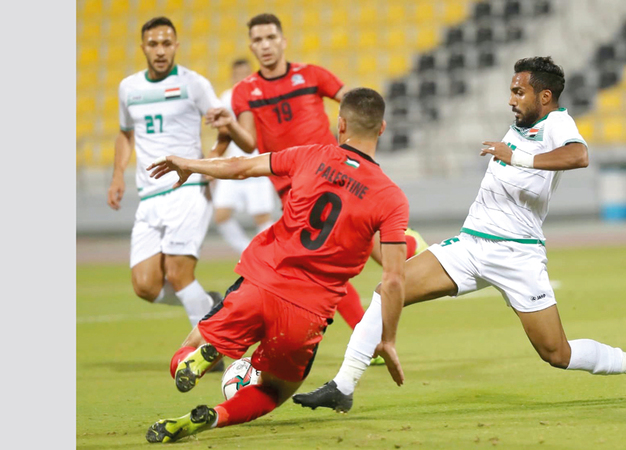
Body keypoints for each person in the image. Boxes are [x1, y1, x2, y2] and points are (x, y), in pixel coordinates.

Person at [292, 56, 626, 414]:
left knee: (556, 353)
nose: (511, 99)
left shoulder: (558, 124)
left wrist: (517, 157)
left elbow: (579, 156)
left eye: (519, 92)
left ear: (545, 96)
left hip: (517, 255)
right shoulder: (524, 123)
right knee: (387, 291)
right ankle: (343, 386)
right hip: (471, 244)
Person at [144, 88, 409, 443]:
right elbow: (393, 280)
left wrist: (190, 164)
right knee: (274, 392)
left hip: (260, 283)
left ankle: (201, 356)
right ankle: (213, 417)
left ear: (341, 124)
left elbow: (240, 168)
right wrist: (387, 339)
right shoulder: (391, 198)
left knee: (184, 354)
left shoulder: (309, 155)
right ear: (382, 128)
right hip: (307, 314)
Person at [204, 13, 422, 337]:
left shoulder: (311, 75)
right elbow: (248, 142)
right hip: (294, 189)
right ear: (251, 46)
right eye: (258, 40)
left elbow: (354, 101)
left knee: (343, 260)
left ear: (283, 41)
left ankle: (413, 255)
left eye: (270, 38)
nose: (265, 45)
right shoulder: (245, 91)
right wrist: (230, 125)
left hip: (336, 177)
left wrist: (369, 125)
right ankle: (374, 326)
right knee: (327, 265)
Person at [107, 16, 224, 330]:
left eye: (166, 43)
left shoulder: (193, 84)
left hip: (187, 188)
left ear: (176, 46)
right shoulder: (128, 88)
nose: (160, 50)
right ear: (143, 47)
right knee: (145, 285)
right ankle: (210, 305)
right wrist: (117, 174)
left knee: (177, 273)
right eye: (153, 44)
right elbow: (125, 134)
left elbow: (225, 125)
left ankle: (207, 346)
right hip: (149, 196)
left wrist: (214, 158)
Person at [212, 58, 278, 254]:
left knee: (262, 217)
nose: (241, 78)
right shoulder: (226, 98)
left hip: (257, 163)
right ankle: (247, 252)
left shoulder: (263, 96)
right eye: (238, 75)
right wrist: (214, 159)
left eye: (245, 74)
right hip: (233, 163)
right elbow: (223, 133)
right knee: (221, 215)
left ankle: (269, 255)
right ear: (232, 77)